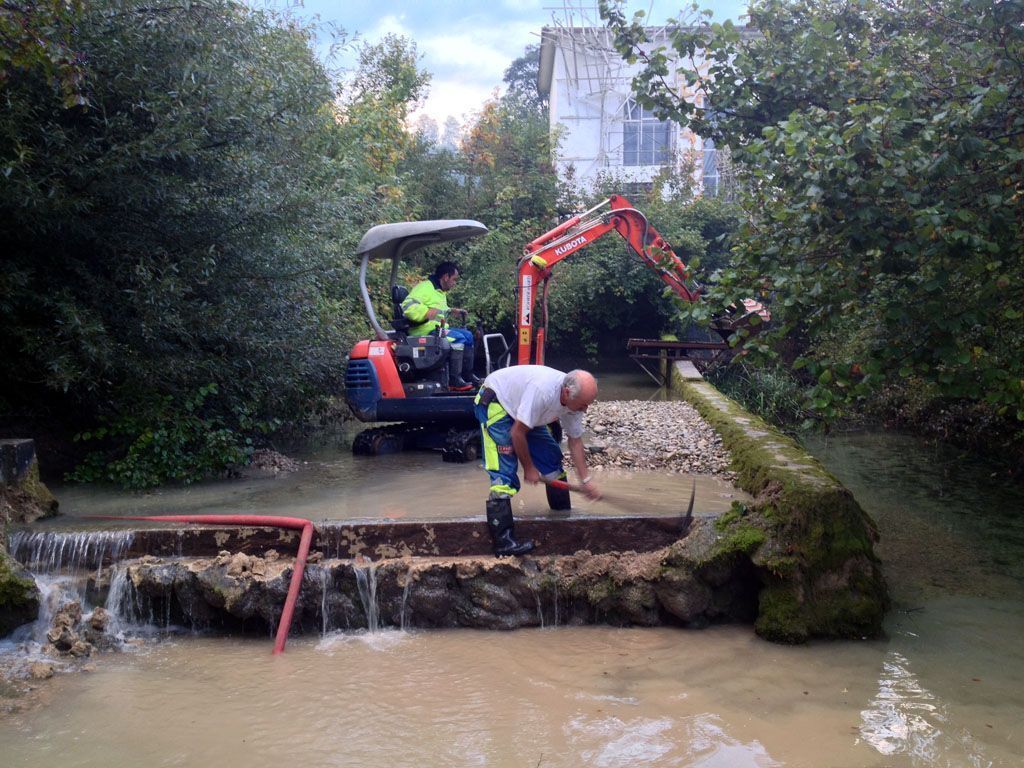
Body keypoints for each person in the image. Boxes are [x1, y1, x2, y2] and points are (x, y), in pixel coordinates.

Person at [474, 366, 601, 557]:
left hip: (523, 411)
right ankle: (504, 544)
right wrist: (529, 468)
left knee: (552, 459)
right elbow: (517, 433)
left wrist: (586, 481)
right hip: (497, 403)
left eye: (588, 404)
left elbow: (575, 442)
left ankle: (561, 517)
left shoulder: (574, 401)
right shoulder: (543, 392)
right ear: (566, 393)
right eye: (583, 404)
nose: (585, 409)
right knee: (504, 473)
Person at [400, 261, 482, 388]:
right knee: (458, 338)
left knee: (468, 336)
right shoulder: (425, 288)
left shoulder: (440, 291)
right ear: (445, 277)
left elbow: (438, 310)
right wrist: (425, 313)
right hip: (424, 331)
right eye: (454, 279)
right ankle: (455, 380)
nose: (454, 283)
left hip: (438, 329)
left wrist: (451, 311)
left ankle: (467, 374)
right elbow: (407, 306)